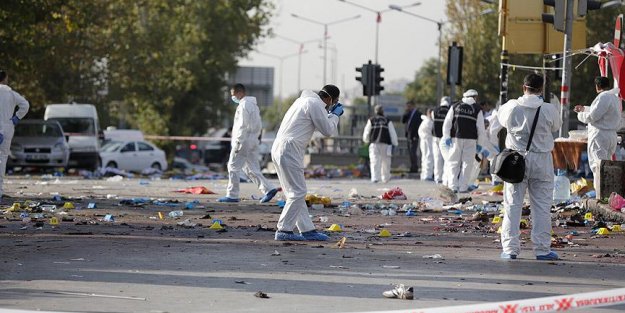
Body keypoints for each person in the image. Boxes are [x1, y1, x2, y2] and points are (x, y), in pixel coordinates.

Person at [498, 73, 562, 260]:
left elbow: (501, 122)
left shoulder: (511, 107)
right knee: (542, 207)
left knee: (512, 205)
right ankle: (542, 250)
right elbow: (556, 126)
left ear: (523, 87)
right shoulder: (549, 109)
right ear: (541, 89)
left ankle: (510, 249)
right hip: (542, 160)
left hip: (516, 161)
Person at [272, 85, 343, 241]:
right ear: (330, 99)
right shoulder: (315, 104)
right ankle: (283, 229)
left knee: (294, 193)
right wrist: (335, 116)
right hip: (289, 149)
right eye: (334, 102)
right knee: (298, 192)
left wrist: (329, 114)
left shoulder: (303, 101)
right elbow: (327, 130)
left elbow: (320, 122)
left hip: (280, 147)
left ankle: (307, 229)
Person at [218, 83, 278, 203]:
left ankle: (232, 195)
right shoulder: (254, 106)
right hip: (253, 140)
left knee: (233, 166)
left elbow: (242, 125)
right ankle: (268, 189)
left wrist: (238, 142)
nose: (232, 97)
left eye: (233, 95)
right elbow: (259, 124)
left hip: (244, 141)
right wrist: (258, 137)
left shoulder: (244, 105)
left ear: (239, 93)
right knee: (251, 168)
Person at [574, 76, 622, 192]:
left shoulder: (603, 97)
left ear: (597, 87)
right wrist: (584, 108)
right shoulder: (614, 98)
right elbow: (599, 110)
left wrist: (580, 115)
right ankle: (607, 193)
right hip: (611, 136)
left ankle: (600, 195)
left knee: (598, 166)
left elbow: (593, 116)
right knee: (606, 166)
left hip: (600, 136)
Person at [442, 89, 486, 192]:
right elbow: (481, 129)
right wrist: (480, 144)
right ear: (474, 97)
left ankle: (453, 186)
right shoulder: (477, 109)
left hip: (455, 138)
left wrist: (446, 136)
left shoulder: (455, 106)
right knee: (467, 164)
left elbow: (447, 123)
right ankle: (463, 187)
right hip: (471, 140)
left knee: (453, 163)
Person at [0, 70, 29, 201]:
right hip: (6, 127)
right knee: (2, 158)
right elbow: (25, 104)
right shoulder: (10, 93)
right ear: (5, 79)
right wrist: (16, 118)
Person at [362, 105, 398, 183]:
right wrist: (395, 143)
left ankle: (375, 178)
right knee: (386, 162)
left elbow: (366, 132)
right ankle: (385, 178)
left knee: (374, 161)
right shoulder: (387, 121)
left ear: (375, 111)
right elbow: (392, 133)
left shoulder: (371, 120)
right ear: (382, 111)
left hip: (374, 144)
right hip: (386, 144)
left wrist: (366, 140)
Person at [432, 97, 450, 184]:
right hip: (445, 138)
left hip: (436, 137)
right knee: (446, 158)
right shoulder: (450, 110)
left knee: (437, 158)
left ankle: (437, 177)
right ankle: (445, 177)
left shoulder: (435, 110)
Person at [401, 101, 421, 174]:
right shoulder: (408, 114)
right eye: (407, 106)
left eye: (409, 106)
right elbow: (403, 121)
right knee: (410, 152)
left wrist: (416, 135)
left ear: (413, 106)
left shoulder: (418, 114)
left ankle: (414, 167)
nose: (408, 108)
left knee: (413, 152)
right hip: (408, 136)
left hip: (414, 136)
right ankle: (412, 167)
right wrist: (405, 112)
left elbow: (419, 126)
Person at [418, 108, 434, 180]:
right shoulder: (429, 122)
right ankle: (428, 175)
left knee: (424, 158)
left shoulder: (425, 121)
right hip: (428, 141)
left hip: (424, 141)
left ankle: (424, 174)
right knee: (429, 157)